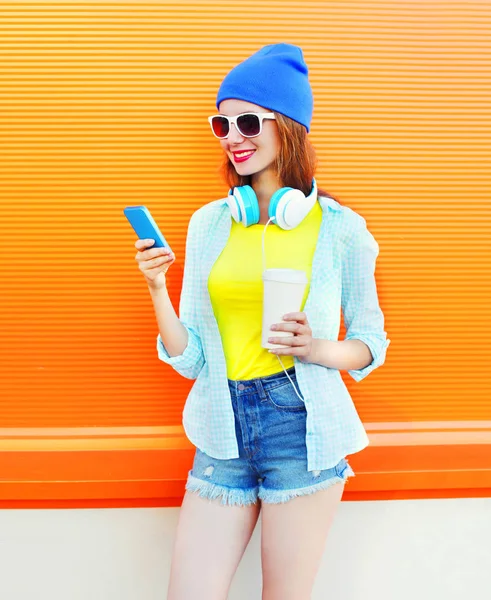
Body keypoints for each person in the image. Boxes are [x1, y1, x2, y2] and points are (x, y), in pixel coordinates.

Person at [134, 43, 390, 600]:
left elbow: (371, 342)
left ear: (289, 129)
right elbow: (192, 357)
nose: (232, 135)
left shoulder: (341, 230)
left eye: (248, 120)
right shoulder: (208, 225)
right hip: (221, 425)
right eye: (221, 123)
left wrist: (317, 347)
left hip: (302, 429)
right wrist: (157, 288)